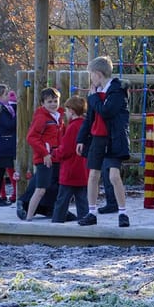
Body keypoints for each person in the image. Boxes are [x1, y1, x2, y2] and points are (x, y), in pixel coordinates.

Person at [76, 56, 132, 228]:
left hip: (114, 138)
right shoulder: (95, 93)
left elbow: (107, 111)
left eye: (91, 74)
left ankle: (122, 212)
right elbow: (89, 119)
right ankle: (91, 212)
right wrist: (81, 139)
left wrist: (93, 98)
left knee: (114, 176)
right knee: (93, 175)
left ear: (98, 74)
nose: (91, 78)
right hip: (97, 138)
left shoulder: (117, 90)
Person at [24, 87, 64, 221]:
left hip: (57, 157)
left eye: (55, 101)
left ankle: (56, 213)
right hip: (44, 159)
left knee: (57, 187)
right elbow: (31, 137)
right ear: (43, 103)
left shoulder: (59, 116)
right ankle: (29, 217)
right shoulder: (41, 117)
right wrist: (45, 154)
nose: (53, 104)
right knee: (40, 189)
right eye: (49, 102)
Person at [51, 95, 90, 223]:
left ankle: (57, 223)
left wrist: (54, 152)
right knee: (82, 201)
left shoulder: (73, 127)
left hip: (70, 170)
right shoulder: (86, 125)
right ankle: (84, 223)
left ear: (72, 111)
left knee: (62, 201)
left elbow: (66, 150)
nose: (65, 113)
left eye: (67, 110)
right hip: (83, 169)